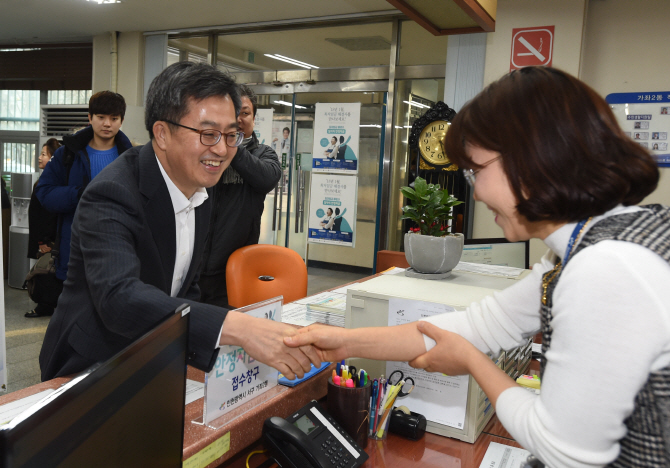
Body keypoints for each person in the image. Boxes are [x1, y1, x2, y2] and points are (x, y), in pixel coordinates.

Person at [285, 67, 669, 467]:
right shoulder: (583, 250)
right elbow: (474, 326)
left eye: (475, 171)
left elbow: (564, 451)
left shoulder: (607, 268)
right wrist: (344, 342)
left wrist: (472, 361)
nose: (477, 191)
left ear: (532, 158)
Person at [39, 62, 318, 383]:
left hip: (155, 356)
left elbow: (185, 286)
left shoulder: (199, 189)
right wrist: (235, 326)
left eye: (231, 135)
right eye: (208, 134)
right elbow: (119, 298)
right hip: (91, 365)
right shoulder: (113, 192)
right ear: (162, 132)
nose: (222, 149)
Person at [36, 91, 132, 285]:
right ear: (90, 118)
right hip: (74, 248)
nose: (107, 124)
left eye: (114, 118)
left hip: (117, 250)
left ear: (121, 120)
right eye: (101, 117)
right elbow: (44, 193)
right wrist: (79, 194)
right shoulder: (68, 154)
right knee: (73, 311)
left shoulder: (132, 158)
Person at [199, 84, 281, 308]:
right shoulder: (206, 151)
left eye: (244, 112)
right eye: (232, 113)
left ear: (254, 118)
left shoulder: (264, 154)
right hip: (194, 269)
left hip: (234, 271)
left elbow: (267, 178)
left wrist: (231, 144)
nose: (238, 118)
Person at [25, 138, 61, 318]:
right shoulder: (42, 181)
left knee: (47, 271)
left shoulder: (52, 184)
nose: (39, 158)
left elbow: (48, 216)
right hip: (42, 237)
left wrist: (44, 241)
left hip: (47, 239)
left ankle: (46, 305)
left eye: (44, 154)